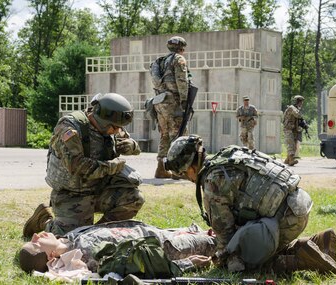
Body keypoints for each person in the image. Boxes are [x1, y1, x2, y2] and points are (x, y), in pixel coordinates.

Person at [164, 135, 336, 274]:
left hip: (286, 218)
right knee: (256, 245)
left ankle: (303, 260)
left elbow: (225, 238)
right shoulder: (228, 157)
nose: (188, 179)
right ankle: (317, 242)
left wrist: (219, 260)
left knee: (243, 262)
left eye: (184, 175)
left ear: (191, 169)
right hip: (298, 204)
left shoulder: (212, 182)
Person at [23, 93, 145, 238]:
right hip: (72, 194)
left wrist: (131, 146)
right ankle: (43, 220)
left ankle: (96, 234)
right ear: (102, 120)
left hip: (99, 189)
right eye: (115, 128)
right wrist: (111, 166)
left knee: (134, 198)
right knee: (68, 239)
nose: (118, 131)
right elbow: (76, 166)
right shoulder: (70, 128)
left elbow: (134, 146)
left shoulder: (110, 125)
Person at [19, 220, 216, 275]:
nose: (37, 235)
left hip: (161, 232)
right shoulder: (89, 258)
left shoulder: (70, 238)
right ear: (51, 256)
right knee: (222, 239)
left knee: (212, 230)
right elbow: (139, 267)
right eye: (36, 243)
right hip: (169, 247)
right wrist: (185, 264)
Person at [152, 36, 190, 178]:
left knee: (165, 135)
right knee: (178, 136)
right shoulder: (178, 59)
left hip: (160, 102)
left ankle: (161, 169)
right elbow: (182, 81)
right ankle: (177, 171)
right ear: (181, 48)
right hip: (173, 102)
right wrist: (185, 101)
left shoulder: (160, 61)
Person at [283, 95, 305, 166]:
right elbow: (298, 115)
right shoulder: (292, 108)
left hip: (293, 129)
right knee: (291, 144)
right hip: (288, 129)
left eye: (301, 102)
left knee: (294, 144)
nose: (301, 103)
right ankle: (291, 160)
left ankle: (287, 160)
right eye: (299, 102)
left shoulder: (296, 108)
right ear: (296, 102)